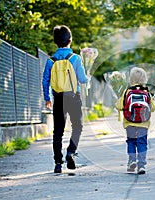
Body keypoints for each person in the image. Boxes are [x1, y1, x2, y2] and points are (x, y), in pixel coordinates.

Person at [42, 25, 90, 173]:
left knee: (58, 131)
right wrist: (87, 77)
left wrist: (47, 98)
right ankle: (71, 151)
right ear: (70, 40)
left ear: (55, 42)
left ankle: (58, 163)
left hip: (58, 98)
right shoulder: (75, 58)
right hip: (73, 97)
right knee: (77, 127)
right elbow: (82, 79)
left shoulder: (51, 60)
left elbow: (45, 80)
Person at [115, 67, 155, 174]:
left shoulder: (127, 91)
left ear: (130, 79)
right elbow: (153, 107)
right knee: (142, 142)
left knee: (131, 142)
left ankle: (132, 161)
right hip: (143, 123)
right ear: (144, 79)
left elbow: (119, 106)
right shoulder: (146, 92)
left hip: (129, 122)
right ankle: (141, 165)